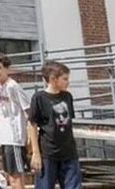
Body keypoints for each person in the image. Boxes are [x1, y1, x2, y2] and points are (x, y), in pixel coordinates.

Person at [28, 61, 81, 189]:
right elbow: (32, 124)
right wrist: (36, 153)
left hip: (69, 152)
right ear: (53, 79)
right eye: (65, 79)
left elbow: (68, 123)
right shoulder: (39, 98)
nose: (68, 82)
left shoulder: (67, 97)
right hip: (48, 153)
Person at [0, 53, 31, 189]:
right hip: (3, 137)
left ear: (7, 69)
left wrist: (30, 137)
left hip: (14, 138)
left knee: (16, 179)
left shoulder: (13, 86)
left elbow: (28, 111)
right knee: (10, 178)